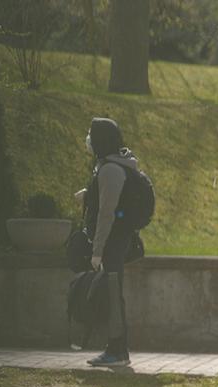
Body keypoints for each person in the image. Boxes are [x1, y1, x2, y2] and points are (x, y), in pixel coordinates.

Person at [78, 117, 140, 367]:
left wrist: (98, 250)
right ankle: (114, 348)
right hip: (115, 240)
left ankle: (117, 351)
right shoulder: (112, 166)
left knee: (113, 295)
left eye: (92, 135)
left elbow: (107, 213)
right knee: (112, 294)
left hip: (113, 242)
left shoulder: (111, 169)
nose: (88, 140)